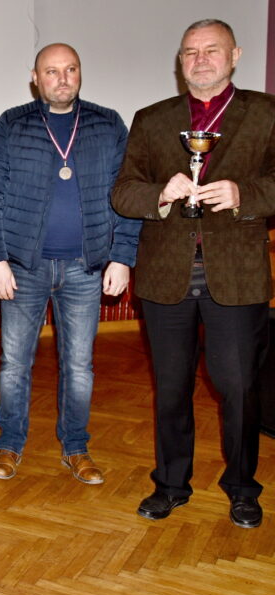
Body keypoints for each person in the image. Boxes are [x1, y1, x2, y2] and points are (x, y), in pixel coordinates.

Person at [112, 19, 274, 529]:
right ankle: (170, 484)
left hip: (237, 274)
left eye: (211, 50)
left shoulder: (266, 113)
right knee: (171, 388)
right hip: (166, 276)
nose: (200, 59)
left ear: (235, 55)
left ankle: (242, 487)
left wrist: (245, 194)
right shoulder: (152, 119)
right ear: (179, 61)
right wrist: (160, 193)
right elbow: (123, 191)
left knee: (239, 387)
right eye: (190, 52)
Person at [0, 43, 140, 484]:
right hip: (23, 267)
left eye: (70, 69)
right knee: (14, 365)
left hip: (86, 268)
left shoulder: (108, 125)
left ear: (80, 73)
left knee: (80, 367)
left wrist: (122, 257)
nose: (62, 79)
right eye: (52, 71)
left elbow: (128, 195)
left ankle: (76, 447)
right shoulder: (12, 124)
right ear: (35, 78)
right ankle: (10, 443)